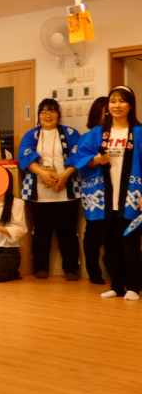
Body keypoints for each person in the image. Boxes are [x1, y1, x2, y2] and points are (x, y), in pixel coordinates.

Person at [69, 86, 142, 300]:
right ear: (108, 106)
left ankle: (133, 287)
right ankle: (117, 286)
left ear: (130, 105)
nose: (116, 105)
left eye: (121, 101)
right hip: (104, 199)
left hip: (132, 197)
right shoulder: (97, 133)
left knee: (130, 244)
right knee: (110, 245)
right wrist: (95, 160)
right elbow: (79, 156)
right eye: (113, 101)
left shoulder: (138, 132)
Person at [18, 99, 81, 280]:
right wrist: (42, 174)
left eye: (52, 111)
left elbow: (79, 154)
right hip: (39, 191)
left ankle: (71, 269)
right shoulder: (31, 135)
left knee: (68, 231)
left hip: (65, 189)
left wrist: (65, 175)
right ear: (38, 115)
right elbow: (24, 156)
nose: (48, 115)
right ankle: (40, 268)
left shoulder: (70, 133)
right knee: (41, 232)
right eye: (44, 112)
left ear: (58, 115)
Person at [82, 96, 109, 284]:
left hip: (118, 195)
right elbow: (80, 163)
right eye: (106, 109)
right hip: (94, 193)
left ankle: (118, 275)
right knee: (93, 237)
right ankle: (94, 273)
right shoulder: (89, 136)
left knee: (115, 239)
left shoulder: (128, 134)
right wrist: (95, 160)